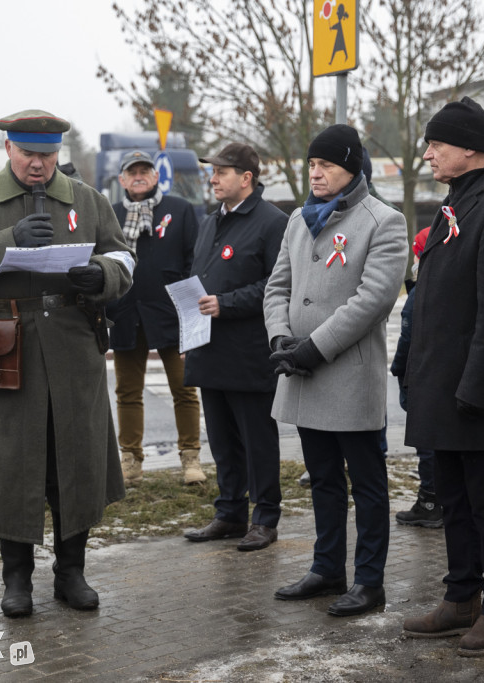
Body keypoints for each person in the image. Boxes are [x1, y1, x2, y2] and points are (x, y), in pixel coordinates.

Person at [0, 109, 135, 617]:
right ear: (8, 149)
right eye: (29, 154)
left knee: (75, 461)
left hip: (73, 350)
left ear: (58, 154)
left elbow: (125, 259)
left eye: (47, 155)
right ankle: (16, 580)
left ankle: (71, 574)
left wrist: (101, 275)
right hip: (6, 348)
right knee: (13, 464)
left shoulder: (87, 200)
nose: (39, 165)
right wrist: (6, 242)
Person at [401, 97, 484, 657]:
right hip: (440, 386)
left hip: (475, 393)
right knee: (452, 500)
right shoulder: (458, 202)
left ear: (469, 149)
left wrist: (476, 392)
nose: (428, 154)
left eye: (436, 144)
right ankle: (461, 597)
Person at [264, 123, 408, 617]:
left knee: (366, 484)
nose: (316, 173)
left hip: (346, 375)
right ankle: (327, 569)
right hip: (302, 374)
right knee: (322, 478)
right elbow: (277, 286)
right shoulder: (297, 220)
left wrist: (314, 348)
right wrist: (280, 337)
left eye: (326, 165)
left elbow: (373, 300)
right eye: (312, 164)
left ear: (352, 168)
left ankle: (369, 582)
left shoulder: (383, 221)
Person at [182, 143, 289, 550]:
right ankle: (229, 513)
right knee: (222, 439)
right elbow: (198, 281)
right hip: (209, 350)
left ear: (246, 178)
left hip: (248, 353)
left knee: (257, 439)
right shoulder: (210, 222)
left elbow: (276, 286)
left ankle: (265, 517)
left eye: (221, 172)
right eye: (213, 172)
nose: (213, 178)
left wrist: (225, 304)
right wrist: (188, 332)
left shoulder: (271, 222)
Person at [107, 150, 204, 487]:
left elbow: (195, 259)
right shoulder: (111, 214)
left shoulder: (180, 210)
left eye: (144, 170)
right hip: (126, 315)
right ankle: (130, 460)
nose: (138, 176)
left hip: (171, 316)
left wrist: (191, 309)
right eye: (131, 171)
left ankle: (191, 458)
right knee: (127, 393)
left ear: (155, 176)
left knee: (185, 389)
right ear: (121, 179)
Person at [390, 227, 441, 528]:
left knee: (426, 444)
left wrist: (398, 369)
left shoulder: (420, 293)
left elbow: (407, 340)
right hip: (433, 378)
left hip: (418, 379)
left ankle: (430, 500)